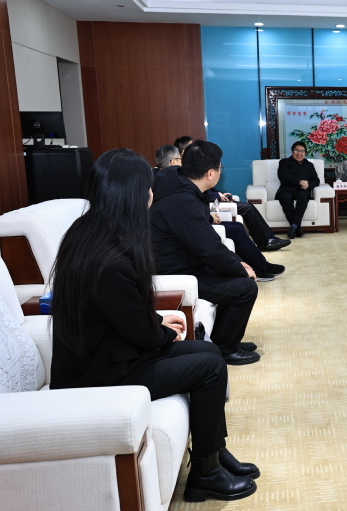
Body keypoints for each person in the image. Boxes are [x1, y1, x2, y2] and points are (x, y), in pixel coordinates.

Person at [49, 148, 258, 502]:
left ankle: (214, 453)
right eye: (148, 188)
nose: (152, 194)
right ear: (132, 195)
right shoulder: (109, 259)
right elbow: (141, 333)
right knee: (209, 366)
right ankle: (205, 475)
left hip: (106, 354)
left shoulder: (89, 232)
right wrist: (161, 331)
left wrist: (158, 320)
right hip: (99, 375)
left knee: (208, 352)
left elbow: (117, 312)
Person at [151, 140, 261, 365]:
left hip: (188, 262)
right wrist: (240, 268)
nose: (220, 172)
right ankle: (225, 349)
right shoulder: (181, 201)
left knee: (235, 274)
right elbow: (208, 248)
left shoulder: (179, 184)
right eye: (220, 168)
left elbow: (207, 241)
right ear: (210, 173)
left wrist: (237, 263)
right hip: (176, 272)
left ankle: (227, 340)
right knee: (245, 287)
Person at [174, 136, 290, 252]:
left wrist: (220, 194)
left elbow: (206, 188)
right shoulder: (184, 172)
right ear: (184, 152)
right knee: (247, 208)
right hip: (208, 204)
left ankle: (267, 240)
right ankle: (266, 241)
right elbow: (198, 192)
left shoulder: (192, 167)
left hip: (212, 201)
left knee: (244, 211)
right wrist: (217, 196)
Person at [277, 141, 321, 239]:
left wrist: (308, 184)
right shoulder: (284, 162)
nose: (299, 153)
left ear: (305, 153)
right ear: (292, 152)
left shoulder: (309, 165)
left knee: (303, 196)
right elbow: (283, 176)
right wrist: (299, 181)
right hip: (286, 189)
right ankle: (297, 228)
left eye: (302, 151)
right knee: (285, 197)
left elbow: (316, 180)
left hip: (302, 191)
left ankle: (294, 227)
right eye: (296, 150)